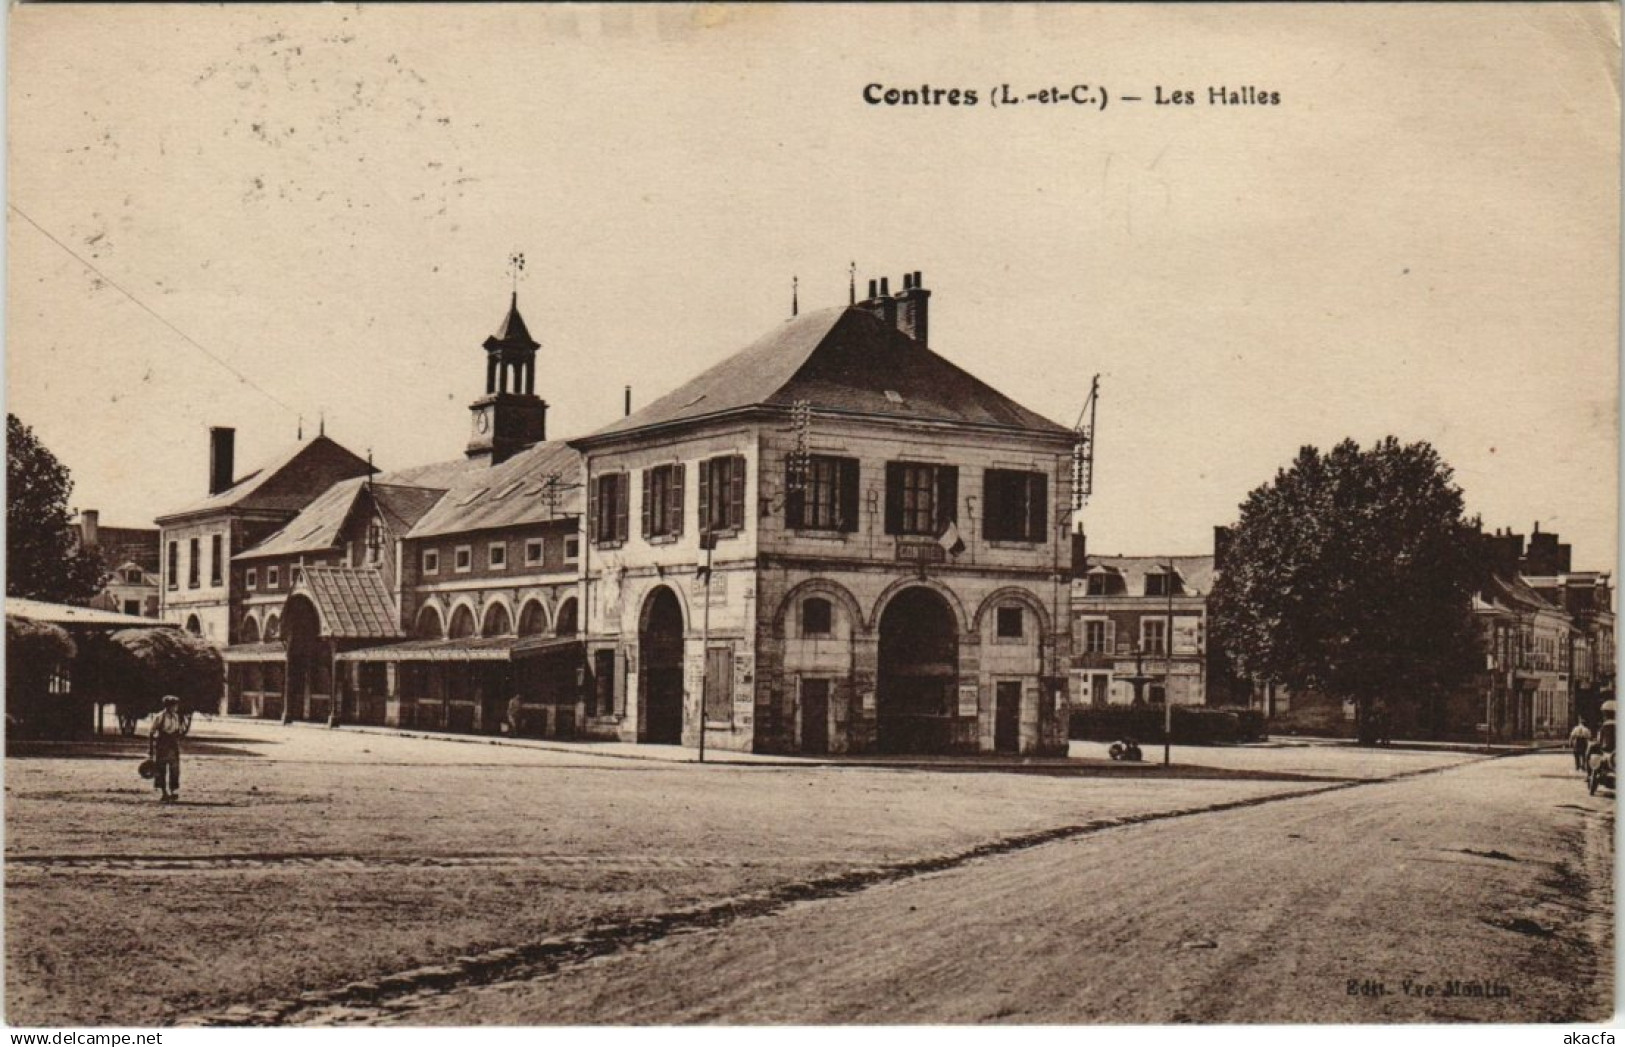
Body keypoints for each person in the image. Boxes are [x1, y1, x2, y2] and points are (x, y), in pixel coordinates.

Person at [149, 695, 187, 803]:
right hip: (162, 744)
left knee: (174, 768)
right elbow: (151, 732)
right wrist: (151, 749)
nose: (176, 707)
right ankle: (164, 792)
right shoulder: (160, 717)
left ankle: (173, 791)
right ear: (169, 706)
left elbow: (177, 731)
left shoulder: (176, 717)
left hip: (173, 745)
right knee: (161, 769)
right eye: (174, 705)